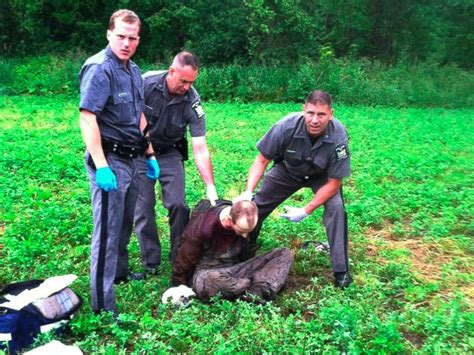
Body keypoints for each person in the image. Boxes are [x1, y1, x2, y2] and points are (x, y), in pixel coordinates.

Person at [78, 9, 160, 314]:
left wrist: (149, 154)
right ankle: (103, 307)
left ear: (138, 39)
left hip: (133, 158)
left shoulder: (133, 70)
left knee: (124, 223)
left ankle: (121, 273)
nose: (126, 43)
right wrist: (101, 166)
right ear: (109, 34)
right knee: (108, 232)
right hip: (110, 159)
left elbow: (138, 115)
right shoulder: (100, 69)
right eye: (121, 36)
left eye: (132, 38)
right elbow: (88, 118)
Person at [236, 90, 352, 288]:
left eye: (321, 115)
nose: (315, 120)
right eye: (310, 113)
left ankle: (341, 270)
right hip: (288, 171)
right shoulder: (285, 126)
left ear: (331, 114)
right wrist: (248, 191)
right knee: (256, 205)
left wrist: (306, 210)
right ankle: (243, 249)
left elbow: (334, 183)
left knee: (336, 209)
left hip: (322, 176)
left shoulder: (339, 137)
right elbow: (262, 159)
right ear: (303, 110)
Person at [134, 51, 217, 267]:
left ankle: (179, 258)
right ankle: (150, 262)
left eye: (191, 82)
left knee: (178, 205)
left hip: (170, 152)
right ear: (171, 71)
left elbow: (200, 146)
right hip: (141, 152)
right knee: (143, 209)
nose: (187, 87)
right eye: (183, 81)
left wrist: (210, 186)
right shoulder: (145, 84)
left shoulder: (192, 101)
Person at [171, 199, 294, 303]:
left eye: (248, 232)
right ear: (229, 220)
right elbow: (184, 258)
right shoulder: (203, 227)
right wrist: (179, 285)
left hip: (237, 269)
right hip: (208, 272)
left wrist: (251, 266)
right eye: (241, 231)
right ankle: (259, 288)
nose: (245, 236)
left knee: (284, 253)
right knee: (213, 280)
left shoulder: (249, 223)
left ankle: (253, 290)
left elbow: (248, 254)